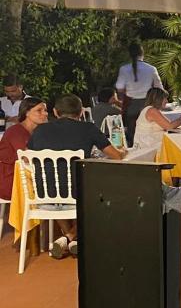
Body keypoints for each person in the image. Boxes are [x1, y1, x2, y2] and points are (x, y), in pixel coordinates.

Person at [27, 94, 123, 258]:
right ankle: (72, 236)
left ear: (55, 112)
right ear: (80, 113)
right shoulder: (88, 128)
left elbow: (27, 157)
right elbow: (116, 156)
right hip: (77, 196)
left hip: (45, 197)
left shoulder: (40, 130)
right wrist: (122, 152)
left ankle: (68, 239)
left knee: (56, 184)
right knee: (104, 191)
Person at [115, 42, 162, 147]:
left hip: (131, 105)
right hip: (148, 105)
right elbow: (159, 87)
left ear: (129, 54)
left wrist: (128, 91)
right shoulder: (151, 69)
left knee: (132, 134)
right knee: (149, 131)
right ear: (142, 53)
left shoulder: (124, 69)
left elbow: (119, 87)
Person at [0, 97, 47, 202]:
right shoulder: (16, 131)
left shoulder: (37, 131)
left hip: (27, 176)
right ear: (26, 113)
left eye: (45, 110)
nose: (45, 113)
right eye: (39, 110)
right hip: (12, 179)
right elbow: (26, 158)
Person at [134, 88, 181, 152]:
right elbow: (169, 126)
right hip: (147, 147)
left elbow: (168, 126)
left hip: (152, 143)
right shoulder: (151, 111)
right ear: (158, 99)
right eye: (165, 98)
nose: (167, 101)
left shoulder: (153, 110)